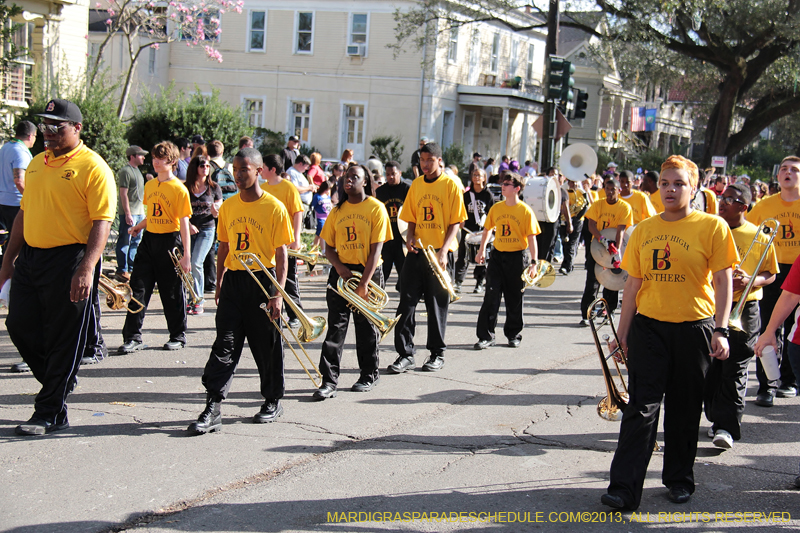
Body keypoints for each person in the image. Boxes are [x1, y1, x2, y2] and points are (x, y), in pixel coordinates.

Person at [601, 155, 737, 510]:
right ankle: (624, 489)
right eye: (665, 183)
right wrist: (622, 333)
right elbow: (632, 286)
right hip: (649, 329)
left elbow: (723, 282)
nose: (670, 190)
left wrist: (721, 330)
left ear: (693, 188)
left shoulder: (712, 227)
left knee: (684, 408)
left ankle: (678, 479)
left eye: (679, 183)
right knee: (641, 408)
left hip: (695, 330)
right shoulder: (644, 229)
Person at [0, 98, 116, 435]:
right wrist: (8, 262)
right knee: (19, 325)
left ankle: (50, 411)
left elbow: (102, 220)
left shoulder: (92, 167)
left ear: (77, 128)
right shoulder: (37, 164)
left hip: (70, 259)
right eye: (45, 125)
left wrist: (87, 268)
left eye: (57, 126)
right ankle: (59, 381)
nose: (48, 132)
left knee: (64, 338)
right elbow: (24, 214)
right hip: (32, 259)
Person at [188, 147, 293, 434]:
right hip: (235, 281)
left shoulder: (274, 207)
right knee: (224, 344)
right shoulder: (230, 206)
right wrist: (220, 282)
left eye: (244, 169)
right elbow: (223, 246)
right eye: (235, 170)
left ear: (259, 171)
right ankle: (213, 406)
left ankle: (272, 399)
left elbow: (281, 254)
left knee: (266, 346)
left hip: (263, 280)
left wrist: (278, 294)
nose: (238, 175)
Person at [705, 183, 777, 449]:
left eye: (730, 200)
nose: (722, 203)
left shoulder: (758, 234)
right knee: (711, 368)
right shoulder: (711, 228)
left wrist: (751, 280)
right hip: (709, 306)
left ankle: (726, 427)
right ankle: (714, 415)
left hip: (744, 310)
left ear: (743, 207)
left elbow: (771, 274)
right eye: (722, 198)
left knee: (735, 368)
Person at [313, 164, 392, 400]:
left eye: (354, 177)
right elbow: (328, 248)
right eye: (347, 177)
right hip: (342, 273)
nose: (349, 181)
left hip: (367, 272)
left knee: (366, 328)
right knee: (335, 328)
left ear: (365, 181)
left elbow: (376, 251)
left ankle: (368, 374)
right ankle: (328, 381)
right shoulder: (337, 211)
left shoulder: (376, 208)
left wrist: (364, 283)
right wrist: (339, 269)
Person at [388, 142, 466, 374]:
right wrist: (409, 237)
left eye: (430, 160)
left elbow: (456, 221)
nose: (425, 164)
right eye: (422, 160)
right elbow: (410, 215)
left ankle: (436, 353)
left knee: (436, 306)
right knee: (406, 303)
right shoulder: (417, 185)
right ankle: (405, 354)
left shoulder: (450, 185)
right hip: (417, 252)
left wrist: (443, 250)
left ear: (439, 160)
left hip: (440, 254)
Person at [119, 141, 192, 354]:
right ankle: (132, 337)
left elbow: (184, 223)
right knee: (137, 289)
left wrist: (186, 255)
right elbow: (153, 215)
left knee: (171, 293)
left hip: (170, 242)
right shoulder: (150, 185)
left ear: (172, 162)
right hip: (149, 240)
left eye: (161, 159)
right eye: (154, 158)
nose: (156, 162)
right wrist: (138, 227)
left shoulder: (179, 188)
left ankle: (178, 335)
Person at [746, 156, 800, 406]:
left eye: (795, 170)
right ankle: (767, 384)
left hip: (797, 270)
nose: (788, 173)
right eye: (784, 169)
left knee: (793, 330)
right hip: (772, 271)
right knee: (769, 327)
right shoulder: (763, 206)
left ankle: (788, 381)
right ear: (778, 176)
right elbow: (749, 237)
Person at [474, 172, 540, 349]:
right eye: (502, 183)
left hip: (518, 258)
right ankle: (486, 336)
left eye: (507, 184)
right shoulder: (497, 208)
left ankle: (513, 334)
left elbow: (532, 237)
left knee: (515, 298)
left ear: (517, 188)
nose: (503, 186)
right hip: (497, 256)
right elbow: (488, 229)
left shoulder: (525, 210)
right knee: (491, 296)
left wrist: (534, 262)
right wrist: (481, 251)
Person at [579, 178, 633, 326]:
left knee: (611, 283)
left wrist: (616, 250)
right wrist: (602, 240)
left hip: (614, 246)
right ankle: (587, 313)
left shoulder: (624, 207)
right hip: (597, 247)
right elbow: (591, 224)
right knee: (592, 281)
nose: (610, 192)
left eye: (613, 190)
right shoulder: (598, 205)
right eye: (607, 189)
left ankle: (609, 312)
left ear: (619, 191)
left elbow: (621, 230)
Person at [261, 154, 305, 329]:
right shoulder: (262, 188)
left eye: (263, 167)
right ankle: (271, 312)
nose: (260, 170)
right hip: (267, 242)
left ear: (272, 169)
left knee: (289, 280)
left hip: (285, 241)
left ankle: (295, 315)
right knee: (268, 278)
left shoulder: (288, 187)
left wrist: (296, 238)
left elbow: (297, 212)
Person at [185, 155, 222, 315]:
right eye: (202, 165)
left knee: (196, 262)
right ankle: (190, 297)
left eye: (208, 166)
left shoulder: (214, 187)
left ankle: (198, 299)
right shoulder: (186, 187)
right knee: (186, 265)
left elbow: (218, 209)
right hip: (188, 229)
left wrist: (216, 211)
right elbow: (180, 211)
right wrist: (188, 225)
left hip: (207, 229)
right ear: (195, 168)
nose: (206, 168)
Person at [454, 167, 494, 293]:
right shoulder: (466, 195)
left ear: (484, 178)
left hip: (482, 231)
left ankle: (479, 282)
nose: (477, 177)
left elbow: (492, 213)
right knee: (462, 256)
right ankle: (458, 282)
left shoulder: (488, 195)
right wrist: (461, 220)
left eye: (479, 175)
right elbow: (461, 210)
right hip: (468, 230)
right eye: (474, 175)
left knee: (482, 258)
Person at [0, 120, 35, 254]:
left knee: (4, 242)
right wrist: (31, 199)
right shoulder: (21, 152)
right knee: (17, 245)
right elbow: (19, 180)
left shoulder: (5, 147)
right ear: (31, 136)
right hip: (15, 203)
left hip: (2, 202)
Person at [115, 145, 149, 282]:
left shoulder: (138, 171)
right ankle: (122, 269)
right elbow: (123, 194)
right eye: (140, 155)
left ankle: (131, 267)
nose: (143, 157)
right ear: (132, 156)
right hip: (130, 213)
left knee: (136, 241)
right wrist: (127, 213)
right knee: (125, 240)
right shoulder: (125, 171)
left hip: (139, 212)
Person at [375, 161, 410, 289]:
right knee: (383, 270)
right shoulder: (380, 192)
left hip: (402, 237)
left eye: (393, 174)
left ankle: (402, 289)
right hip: (386, 238)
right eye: (388, 174)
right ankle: (378, 294)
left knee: (405, 271)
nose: (390, 177)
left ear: (400, 173)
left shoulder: (407, 190)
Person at [559, 176, 588, 275]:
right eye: (572, 182)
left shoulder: (581, 192)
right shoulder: (563, 191)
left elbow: (586, 205)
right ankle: (568, 263)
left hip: (578, 220)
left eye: (576, 182)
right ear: (569, 182)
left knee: (572, 243)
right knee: (565, 243)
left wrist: (577, 217)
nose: (575, 185)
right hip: (564, 220)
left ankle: (566, 266)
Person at [310, 180, 332, 251]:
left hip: (327, 217)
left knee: (319, 234)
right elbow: (313, 205)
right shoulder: (317, 196)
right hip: (320, 217)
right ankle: (323, 249)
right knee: (321, 234)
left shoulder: (327, 197)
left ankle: (314, 247)